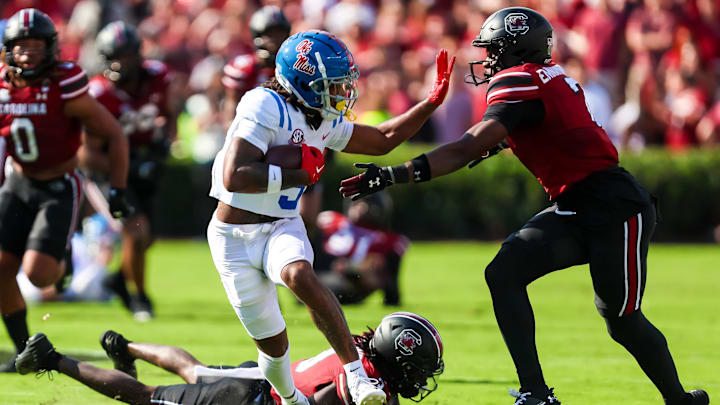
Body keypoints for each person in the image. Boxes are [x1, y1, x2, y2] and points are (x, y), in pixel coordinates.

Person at [340, 7, 709, 405]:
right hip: (575, 204)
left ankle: (680, 400)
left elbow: (465, 148)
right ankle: (536, 393)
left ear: (516, 50)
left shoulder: (519, 82)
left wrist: (392, 174)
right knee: (504, 273)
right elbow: (553, 128)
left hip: (614, 208)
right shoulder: (550, 76)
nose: (488, 59)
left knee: (623, 322)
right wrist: (502, 140)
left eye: (495, 50)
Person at [207, 30, 454, 405]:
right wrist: (300, 175)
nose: (341, 93)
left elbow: (383, 137)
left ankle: (356, 376)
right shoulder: (264, 103)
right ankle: (290, 400)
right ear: (303, 81)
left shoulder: (318, 117)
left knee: (298, 273)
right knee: (274, 351)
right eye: (331, 85)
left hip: (280, 224)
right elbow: (236, 175)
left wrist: (430, 103)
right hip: (233, 237)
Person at [0, 8, 130, 372]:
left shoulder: (64, 82)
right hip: (18, 181)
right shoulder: (2, 83)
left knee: (39, 275)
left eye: (36, 46)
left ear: (51, 48)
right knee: (1, 269)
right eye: (21, 46)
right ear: (8, 50)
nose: (28, 54)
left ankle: (63, 255)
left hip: (58, 186)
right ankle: (26, 348)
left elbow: (115, 133)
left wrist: (117, 189)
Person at [14, 312, 444, 405]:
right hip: (249, 400)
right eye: (419, 366)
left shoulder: (355, 348)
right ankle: (52, 359)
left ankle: (126, 348)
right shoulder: (370, 390)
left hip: (266, 377)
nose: (421, 376)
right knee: (146, 397)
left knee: (193, 369)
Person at [80, 21, 176, 321]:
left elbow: (169, 116)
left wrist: (164, 145)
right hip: (107, 171)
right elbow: (86, 153)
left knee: (147, 238)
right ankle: (139, 298)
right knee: (136, 231)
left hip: (142, 162)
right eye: (116, 55)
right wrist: (129, 164)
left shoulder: (158, 78)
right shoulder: (98, 93)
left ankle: (118, 280)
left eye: (128, 54)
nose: (123, 62)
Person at [316, 192, 408, 305]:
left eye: (367, 203)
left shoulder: (386, 239)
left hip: (350, 285)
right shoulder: (331, 221)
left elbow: (389, 285)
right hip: (317, 273)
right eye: (357, 203)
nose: (361, 208)